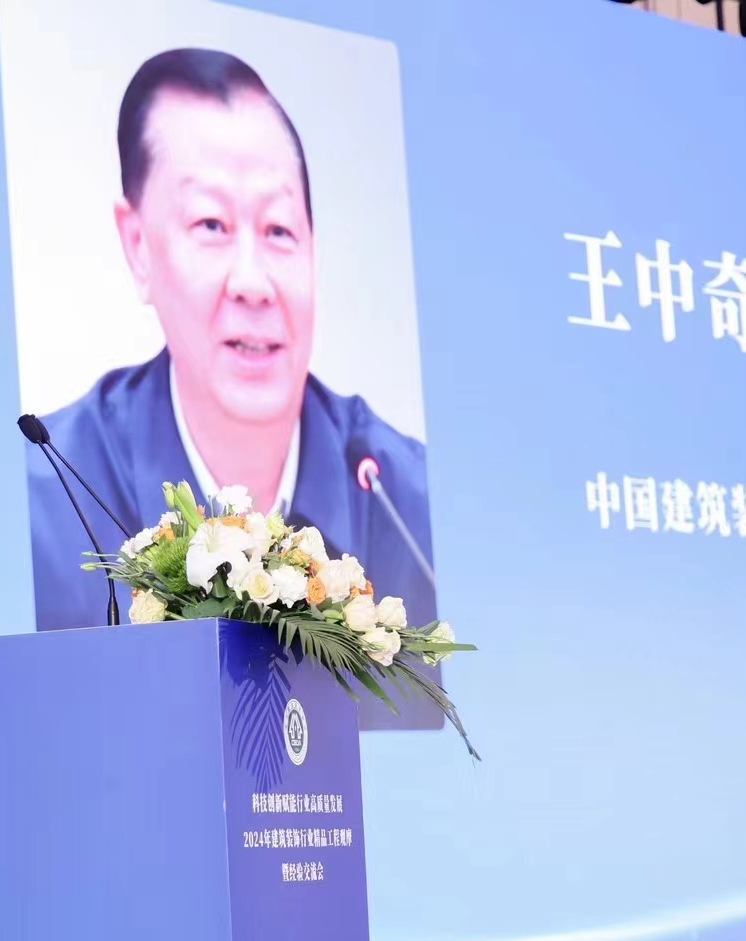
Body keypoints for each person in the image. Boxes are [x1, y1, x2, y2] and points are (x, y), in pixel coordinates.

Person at [25, 49, 438, 714]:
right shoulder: (56, 492)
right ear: (137, 245)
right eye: (211, 225)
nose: (253, 282)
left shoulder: (401, 494)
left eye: (279, 229)